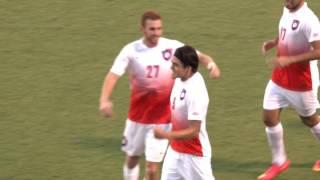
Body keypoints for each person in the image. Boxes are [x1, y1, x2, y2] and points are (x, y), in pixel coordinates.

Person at [99, 10, 220, 180]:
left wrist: (211, 65)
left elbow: (199, 56)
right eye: (152, 29)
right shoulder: (131, 50)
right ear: (143, 29)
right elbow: (113, 74)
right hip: (137, 118)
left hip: (162, 121)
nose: (156, 33)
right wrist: (104, 99)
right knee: (132, 159)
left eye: (159, 28)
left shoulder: (173, 48)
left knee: (152, 168)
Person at [258, 0, 320, 179]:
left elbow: (318, 51)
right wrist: (274, 42)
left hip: (301, 82)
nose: (286, 1)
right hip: (279, 77)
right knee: (269, 119)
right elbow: (287, 34)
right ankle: (279, 162)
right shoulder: (287, 9)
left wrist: (291, 60)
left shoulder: (310, 20)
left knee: (310, 120)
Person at [154, 45, 215, 180]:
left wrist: (165, 134)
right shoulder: (180, 79)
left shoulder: (196, 92)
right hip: (175, 152)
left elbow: (194, 131)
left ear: (188, 69)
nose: (171, 67)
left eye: (175, 65)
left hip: (194, 156)